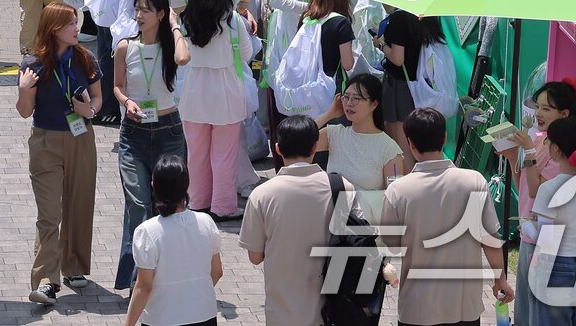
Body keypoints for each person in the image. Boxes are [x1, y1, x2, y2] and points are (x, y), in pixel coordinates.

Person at [380, 108, 512, 326]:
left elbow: (392, 246)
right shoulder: (474, 181)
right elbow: (490, 238)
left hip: (417, 307)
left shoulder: (398, 190)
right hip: (464, 306)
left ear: (410, 143)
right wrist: (500, 280)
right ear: (444, 138)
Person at [17, 2, 103, 305]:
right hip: (46, 142)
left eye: (76, 22)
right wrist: (25, 89)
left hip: (81, 138)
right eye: (71, 24)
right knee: (49, 213)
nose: (77, 29)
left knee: (79, 205)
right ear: (54, 29)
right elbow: (25, 112)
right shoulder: (33, 64)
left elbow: (98, 98)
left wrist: (88, 110)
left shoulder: (85, 58)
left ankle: (74, 266)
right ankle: (46, 281)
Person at [240, 115, 357, 326]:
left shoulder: (262, 195)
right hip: (333, 310)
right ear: (315, 147)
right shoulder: (341, 187)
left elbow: (255, 257)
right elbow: (355, 243)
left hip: (282, 312)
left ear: (277, 149)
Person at [112, 0, 190, 288]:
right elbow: (118, 86)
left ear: (160, 13)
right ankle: (137, 277)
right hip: (134, 133)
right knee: (138, 202)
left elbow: (184, 58)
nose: (139, 15)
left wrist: (174, 24)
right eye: (137, 9)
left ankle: (166, 271)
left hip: (169, 130)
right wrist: (125, 101)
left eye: (146, 9)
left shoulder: (172, 45)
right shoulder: (124, 47)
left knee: (170, 202)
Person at [504, 79, 576, 326]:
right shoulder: (541, 141)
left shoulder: (563, 153)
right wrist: (512, 158)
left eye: (546, 109)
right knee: (525, 312)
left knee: (538, 314)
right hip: (529, 237)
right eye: (538, 106)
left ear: (564, 113)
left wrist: (529, 152)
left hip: (547, 244)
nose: (538, 113)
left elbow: (537, 189)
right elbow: (524, 189)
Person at [177, 0, 255, 220]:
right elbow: (246, 54)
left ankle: (197, 202)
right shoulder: (233, 19)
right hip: (226, 92)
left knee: (196, 153)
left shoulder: (185, 18)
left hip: (194, 91)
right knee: (224, 155)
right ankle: (223, 206)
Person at [124, 154, 223, 326]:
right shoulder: (206, 222)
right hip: (204, 315)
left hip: (162, 318)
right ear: (186, 185)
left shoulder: (147, 231)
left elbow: (144, 286)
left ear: (153, 184)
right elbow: (217, 272)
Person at [527, 118, 576, 326]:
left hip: (555, 265)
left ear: (556, 150)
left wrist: (526, 225)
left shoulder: (549, 189)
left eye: (548, 141)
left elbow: (546, 238)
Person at [313, 74, 404, 221]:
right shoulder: (334, 134)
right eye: (346, 97)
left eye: (356, 98)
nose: (349, 103)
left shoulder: (389, 149)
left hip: (366, 231)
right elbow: (296, 141)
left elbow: (395, 200)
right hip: (332, 223)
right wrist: (329, 114)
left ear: (374, 104)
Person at [378, 9, 444, 171]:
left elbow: (397, 58)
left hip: (400, 87)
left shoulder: (400, 18)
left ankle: (404, 189)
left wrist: (381, 44)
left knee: (400, 147)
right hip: (420, 88)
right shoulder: (427, 16)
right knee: (413, 144)